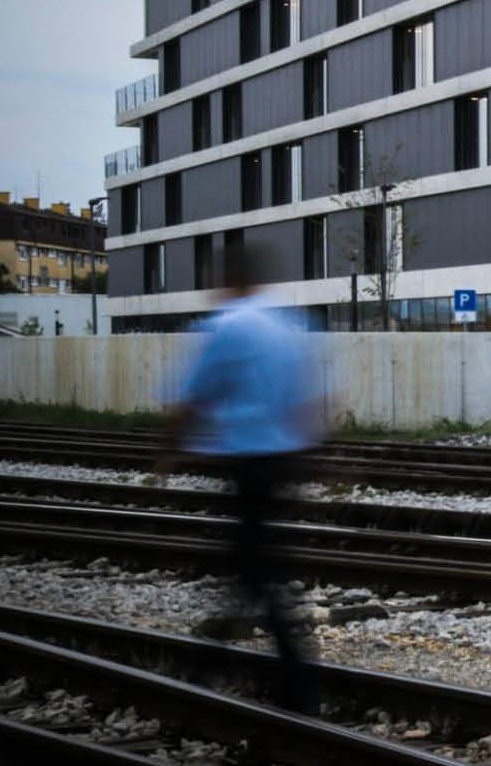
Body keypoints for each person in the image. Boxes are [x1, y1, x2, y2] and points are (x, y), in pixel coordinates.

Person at [157, 275, 326, 714]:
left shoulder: (227, 326)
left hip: (247, 460)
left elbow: (194, 394)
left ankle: (271, 677)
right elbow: (307, 400)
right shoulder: (288, 326)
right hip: (282, 459)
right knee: (253, 566)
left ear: (230, 282)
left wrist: (169, 450)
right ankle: (230, 665)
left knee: (251, 568)